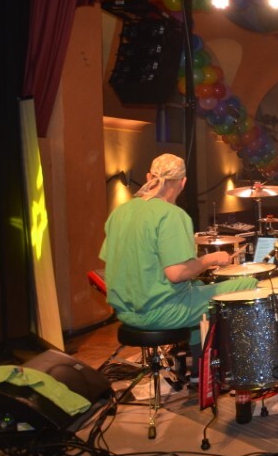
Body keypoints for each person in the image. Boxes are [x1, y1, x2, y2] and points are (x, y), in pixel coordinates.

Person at [100, 154, 258, 370]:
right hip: (161, 313)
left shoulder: (119, 213)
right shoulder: (172, 214)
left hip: (126, 313)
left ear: (149, 177)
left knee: (198, 286)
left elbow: (120, 262)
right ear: (183, 182)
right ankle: (240, 368)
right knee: (249, 285)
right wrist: (211, 258)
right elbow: (177, 273)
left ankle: (197, 371)